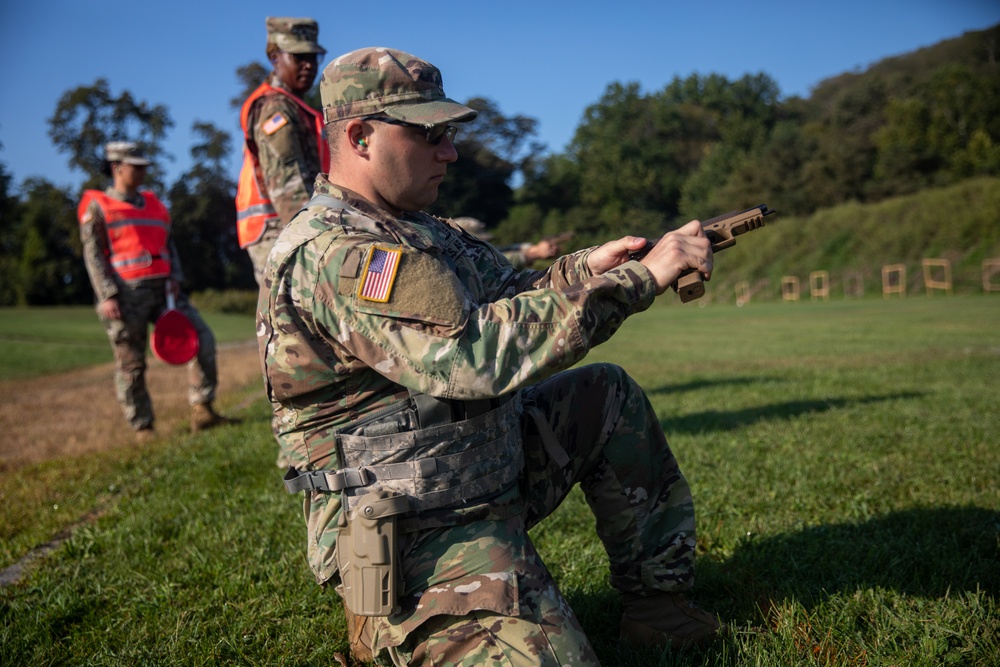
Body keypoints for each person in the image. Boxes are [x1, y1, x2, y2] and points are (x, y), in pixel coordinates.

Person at [258, 48, 722, 665]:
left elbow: (509, 297)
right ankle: (390, 629)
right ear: (360, 136)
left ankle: (659, 611)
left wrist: (591, 268)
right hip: (409, 522)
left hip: (474, 470)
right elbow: (473, 353)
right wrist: (639, 282)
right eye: (428, 134)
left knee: (604, 396)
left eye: (448, 133)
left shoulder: (420, 229)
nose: (449, 151)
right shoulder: (337, 252)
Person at [78, 142, 230, 439]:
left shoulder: (155, 204)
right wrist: (107, 294)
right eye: (136, 165)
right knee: (131, 364)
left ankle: (203, 409)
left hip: (167, 293)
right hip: (125, 296)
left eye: (144, 165)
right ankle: (143, 427)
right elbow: (93, 254)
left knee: (202, 340)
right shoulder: (99, 206)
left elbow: (169, 244)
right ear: (116, 167)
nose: (143, 170)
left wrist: (175, 276)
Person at [236, 16, 329, 284]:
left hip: (293, 225)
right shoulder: (275, 108)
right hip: (280, 228)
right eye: (299, 57)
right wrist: (318, 237)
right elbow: (288, 183)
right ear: (275, 57)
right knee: (294, 319)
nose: (309, 65)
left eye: (313, 57)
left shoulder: (296, 106)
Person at [453, 216, 561, 269]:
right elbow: (497, 262)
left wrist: (532, 248)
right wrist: (536, 253)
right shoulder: (463, 262)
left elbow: (498, 251)